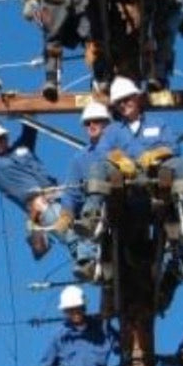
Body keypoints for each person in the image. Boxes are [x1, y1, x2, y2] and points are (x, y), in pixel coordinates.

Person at [75, 76, 183, 277]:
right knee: (98, 168)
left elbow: (174, 147)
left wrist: (156, 154)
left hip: (156, 174)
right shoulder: (112, 131)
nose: (123, 105)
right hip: (125, 179)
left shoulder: (157, 124)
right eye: (119, 102)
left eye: (127, 99)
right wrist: (118, 158)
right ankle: (91, 216)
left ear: (137, 99)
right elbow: (102, 151)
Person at [0, 116, 79, 264]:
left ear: (6, 137)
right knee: (72, 236)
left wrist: (28, 108)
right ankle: (85, 257)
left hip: (63, 195)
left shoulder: (22, 148)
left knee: (94, 214)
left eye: (1, 138)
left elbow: (30, 127)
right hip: (42, 207)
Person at [61, 100, 112, 281]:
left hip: (116, 205)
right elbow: (71, 191)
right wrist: (66, 213)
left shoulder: (119, 150)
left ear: (107, 123)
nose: (91, 125)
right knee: (70, 229)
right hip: (90, 214)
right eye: (87, 123)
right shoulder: (80, 158)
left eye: (96, 121)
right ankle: (86, 262)